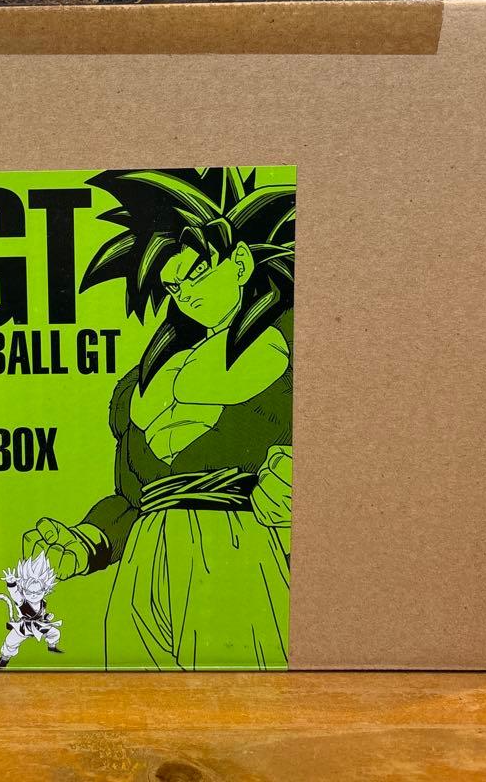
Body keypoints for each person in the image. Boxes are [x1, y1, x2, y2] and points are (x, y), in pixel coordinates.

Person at [23, 168, 295, 670]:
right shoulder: (145, 379)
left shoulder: (296, 342)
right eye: (172, 284)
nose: (184, 294)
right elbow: (132, 498)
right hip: (143, 564)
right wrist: (87, 542)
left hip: (234, 550)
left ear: (239, 262)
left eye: (196, 274)